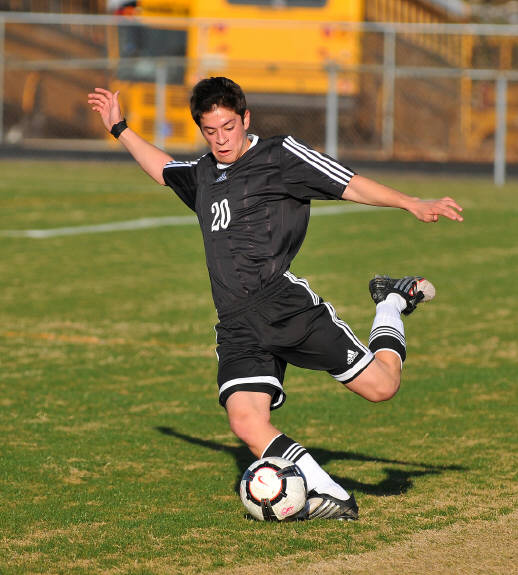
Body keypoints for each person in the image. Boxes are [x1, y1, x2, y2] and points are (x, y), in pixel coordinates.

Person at [88, 77, 463, 521]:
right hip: (236, 324)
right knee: (245, 421)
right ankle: (331, 497)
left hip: (284, 308)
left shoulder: (279, 155)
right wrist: (120, 129)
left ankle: (390, 301)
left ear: (246, 119)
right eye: (210, 131)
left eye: (229, 127)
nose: (221, 139)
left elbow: (348, 183)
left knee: (383, 387)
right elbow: (164, 169)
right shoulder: (204, 173)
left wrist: (411, 202)